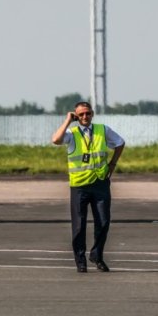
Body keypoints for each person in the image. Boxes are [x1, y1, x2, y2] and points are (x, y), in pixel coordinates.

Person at [51, 101, 125, 273]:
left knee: (104, 221)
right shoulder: (72, 133)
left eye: (88, 113)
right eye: (81, 114)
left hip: (100, 183)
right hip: (80, 186)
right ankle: (80, 260)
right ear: (77, 116)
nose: (85, 117)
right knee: (79, 225)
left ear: (92, 114)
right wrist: (68, 120)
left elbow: (120, 143)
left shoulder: (102, 130)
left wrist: (112, 164)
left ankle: (97, 255)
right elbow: (55, 140)